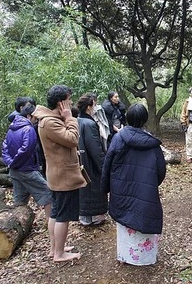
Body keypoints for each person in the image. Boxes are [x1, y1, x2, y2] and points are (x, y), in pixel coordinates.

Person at [101, 103, 166, 265]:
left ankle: (126, 257)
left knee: (125, 223)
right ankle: (145, 259)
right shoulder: (152, 144)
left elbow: (107, 165)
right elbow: (161, 171)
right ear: (145, 119)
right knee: (143, 218)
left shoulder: (118, 138)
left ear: (128, 118)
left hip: (121, 190)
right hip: (145, 192)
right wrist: (150, 184)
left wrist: (106, 188)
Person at [33, 85, 86, 262]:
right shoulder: (50, 122)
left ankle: (55, 248)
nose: (71, 102)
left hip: (58, 174)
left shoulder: (50, 119)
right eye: (69, 99)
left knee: (56, 213)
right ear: (61, 102)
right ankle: (59, 253)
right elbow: (72, 139)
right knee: (62, 215)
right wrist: (70, 119)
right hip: (62, 175)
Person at [1, 104, 52, 221]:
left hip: (15, 170)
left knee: (20, 200)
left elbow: (4, 147)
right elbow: (26, 150)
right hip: (27, 169)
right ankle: (51, 223)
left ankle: (13, 225)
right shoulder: (29, 129)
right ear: (29, 116)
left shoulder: (12, 127)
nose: (37, 120)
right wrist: (15, 163)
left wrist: (10, 163)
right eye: (35, 117)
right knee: (48, 193)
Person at [77, 94, 107, 226]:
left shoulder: (77, 120)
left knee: (84, 188)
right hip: (90, 163)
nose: (96, 107)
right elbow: (95, 148)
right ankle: (95, 217)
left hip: (81, 161)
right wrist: (103, 166)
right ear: (89, 107)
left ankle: (85, 217)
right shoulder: (89, 123)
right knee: (93, 188)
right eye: (95, 104)